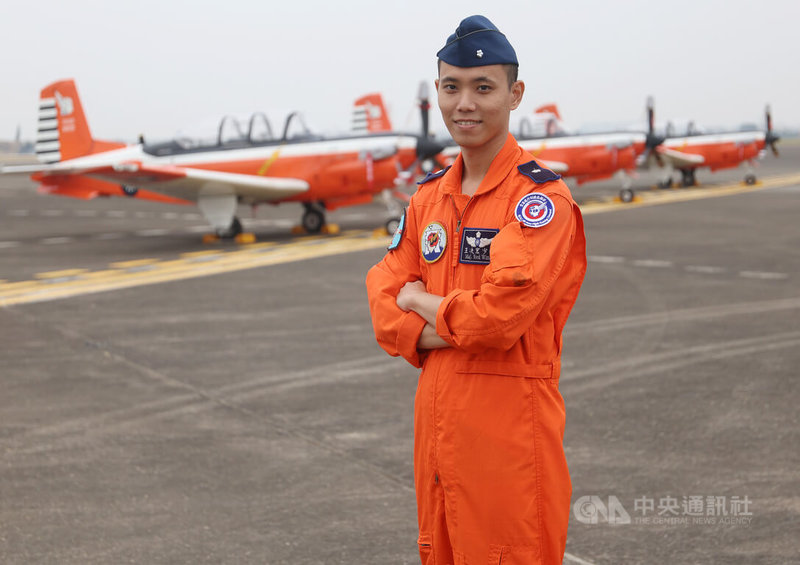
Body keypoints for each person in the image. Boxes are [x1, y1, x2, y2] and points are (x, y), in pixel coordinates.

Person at [366, 15, 586, 565]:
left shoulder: (537, 204)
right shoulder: (427, 200)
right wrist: (440, 319)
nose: (465, 103)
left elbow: (497, 322)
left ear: (515, 95)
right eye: (451, 87)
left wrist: (420, 303)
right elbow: (382, 305)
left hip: (509, 437)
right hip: (437, 434)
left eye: (483, 88)